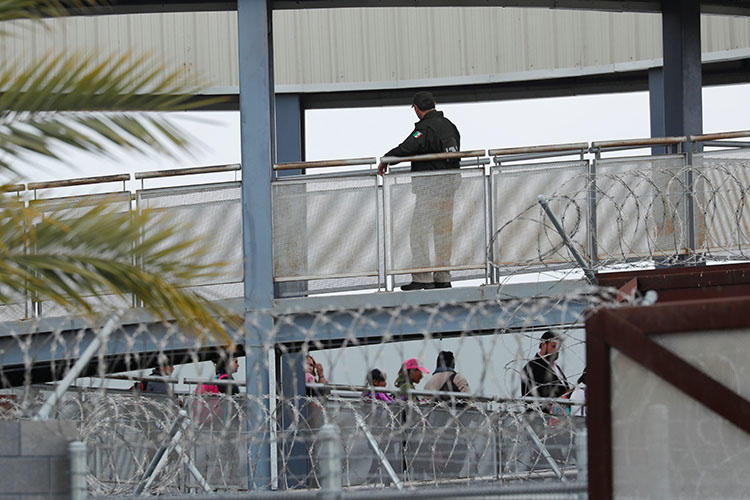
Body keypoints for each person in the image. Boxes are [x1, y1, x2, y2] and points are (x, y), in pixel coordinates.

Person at [377, 91, 461, 291]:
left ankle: (422, 278)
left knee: (419, 232)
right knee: (443, 233)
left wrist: (386, 159)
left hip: (430, 189)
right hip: (449, 188)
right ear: (435, 103)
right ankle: (443, 276)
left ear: (416, 109)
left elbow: (408, 147)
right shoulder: (451, 126)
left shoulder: (425, 128)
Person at [520, 330, 570, 399]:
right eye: (554, 346)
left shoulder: (556, 367)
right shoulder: (532, 368)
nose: (557, 350)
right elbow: (530, 398)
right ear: (543, 345)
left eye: (559, 347)